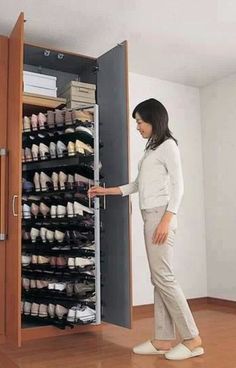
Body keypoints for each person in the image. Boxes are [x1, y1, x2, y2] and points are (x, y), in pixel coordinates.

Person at [88, 98, 204, 361]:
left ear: (154, 120)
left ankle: (192, 338)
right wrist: (106, 190)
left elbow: (179, 185)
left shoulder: (168, 146)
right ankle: (163, 339)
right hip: (151, 216)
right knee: (158, 278)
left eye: (140, 121)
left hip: (160, 216)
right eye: (137, 122)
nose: (138, 126)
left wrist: (167, 218)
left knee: (164, 277)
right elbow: (137, 185)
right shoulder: (151, 150)